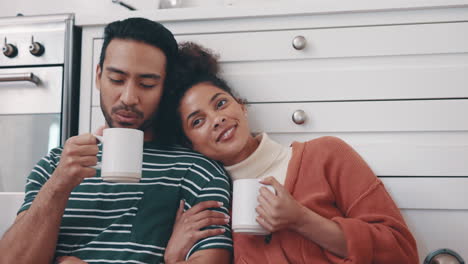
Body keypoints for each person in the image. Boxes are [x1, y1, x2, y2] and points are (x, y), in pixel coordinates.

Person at [160, 42, 419, 263]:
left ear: (242, 107)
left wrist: (301, 220)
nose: (217, 119)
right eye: (198, 121)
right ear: (189, 144)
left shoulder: (326, 155)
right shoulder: (214, 207)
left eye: (221, 103)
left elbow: (402, 253)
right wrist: (173, 258)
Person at [0, 19, 232, 264]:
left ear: (165, 87)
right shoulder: (54, 166)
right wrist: (59, 184)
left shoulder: (198, 172)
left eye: (147, 84)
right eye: (117, 80)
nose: (129, 97)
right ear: (99, 76)